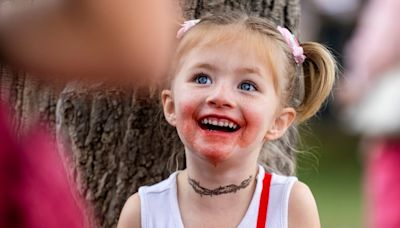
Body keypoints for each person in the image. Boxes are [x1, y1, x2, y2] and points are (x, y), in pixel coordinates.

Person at [117, 11, 336, 228]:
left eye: (247, 86)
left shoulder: (288, 205)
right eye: (202, 78)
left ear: (277, 122)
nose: (220, 97)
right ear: (171, 106)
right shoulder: (144, 212)